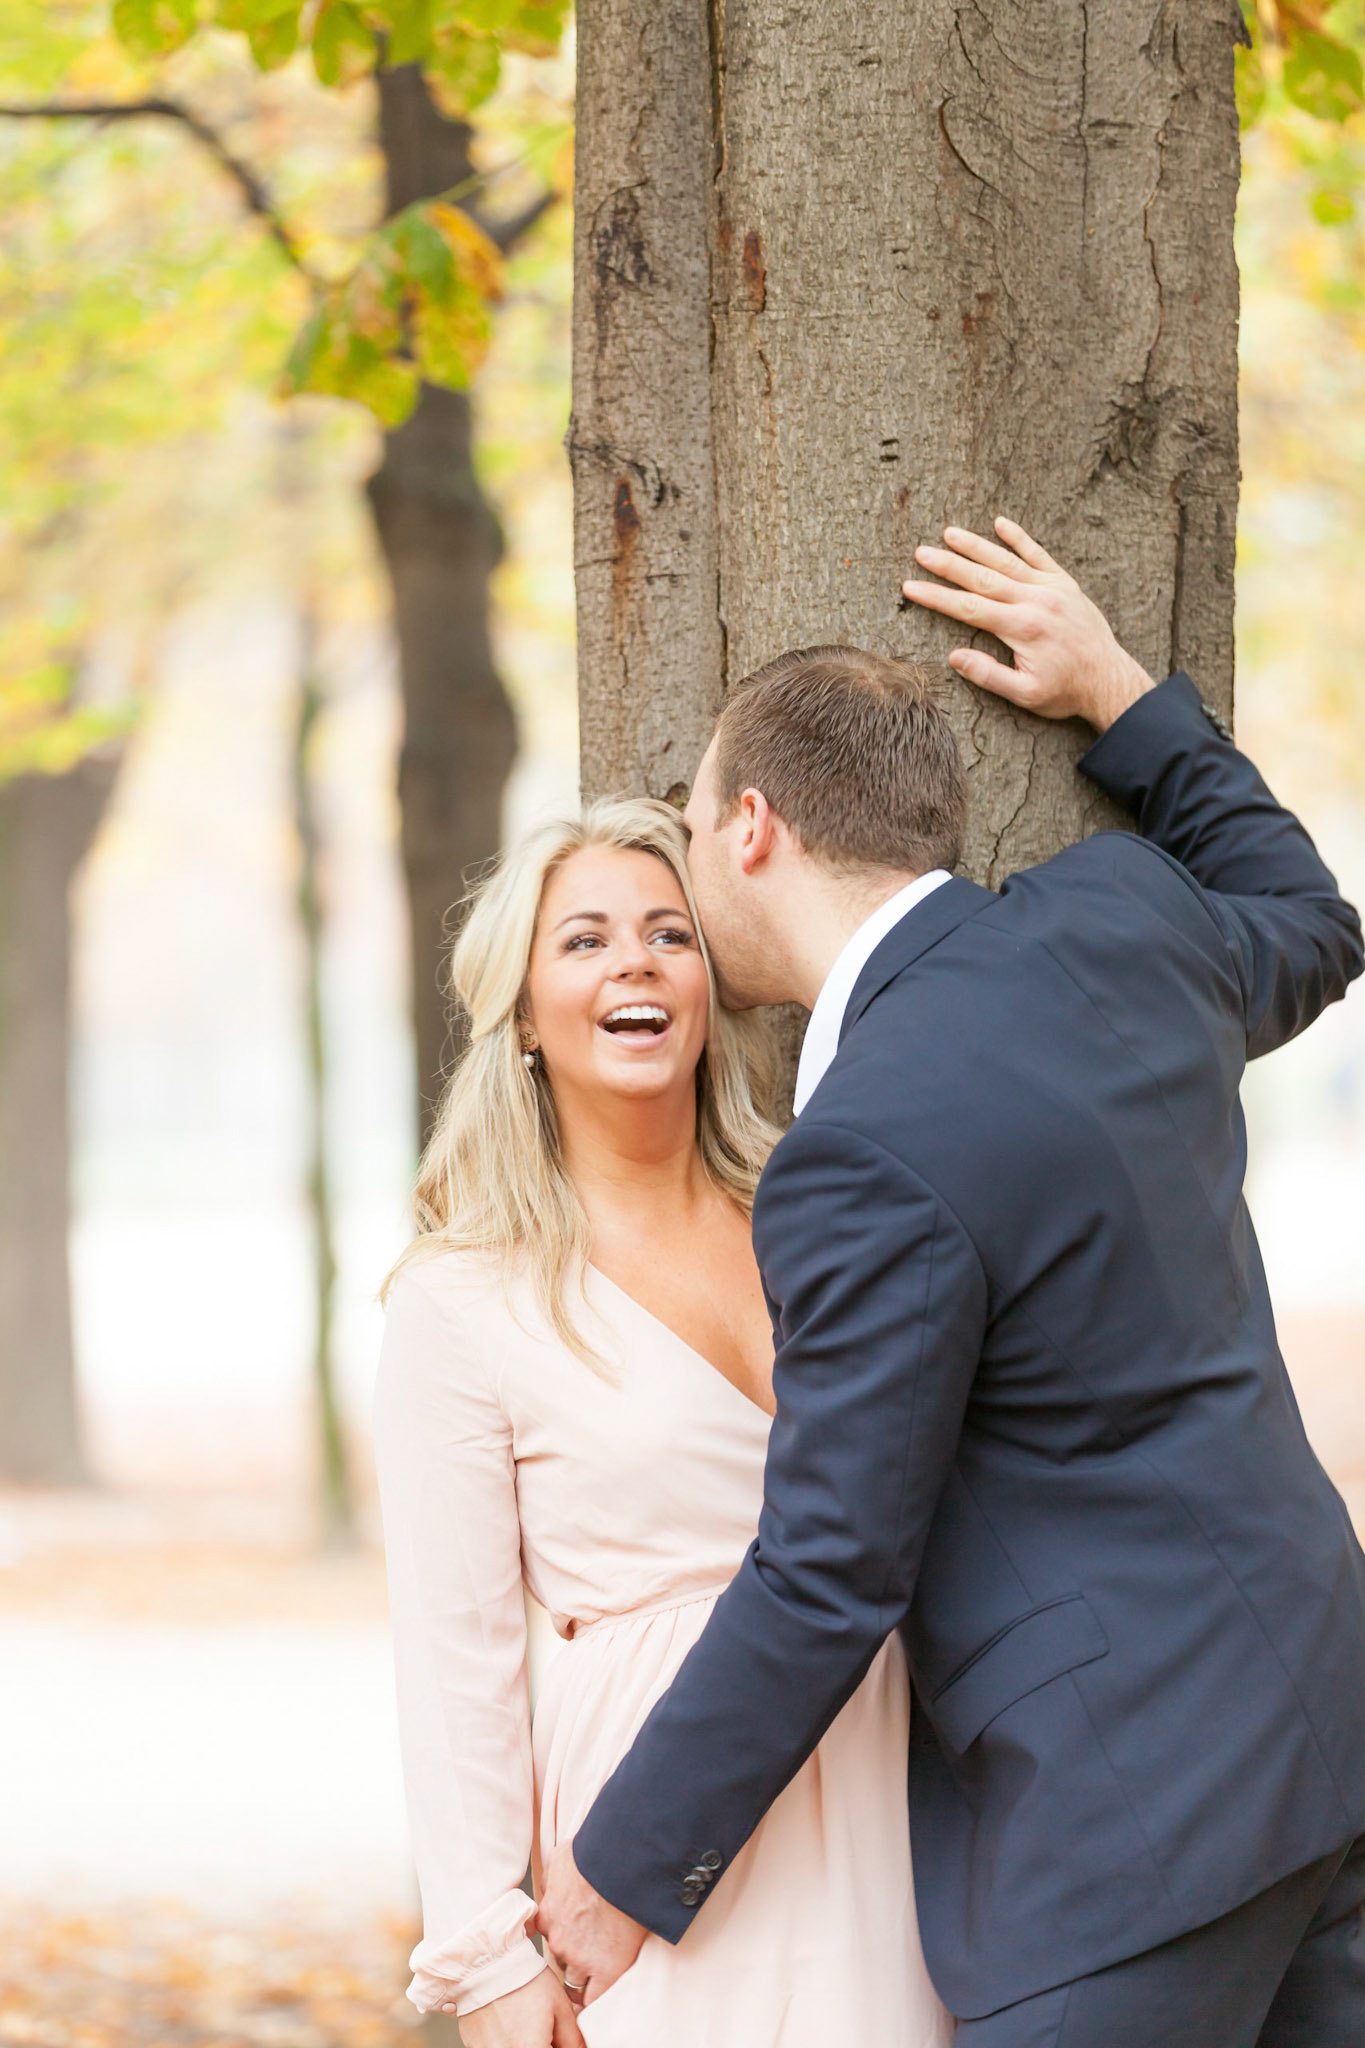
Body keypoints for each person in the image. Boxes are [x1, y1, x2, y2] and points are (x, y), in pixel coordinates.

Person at [538, 520, 1365, 2047]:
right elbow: (1316, 921)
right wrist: (1121, 694)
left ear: (752, 829)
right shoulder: (1121, 925)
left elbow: (830, 1566)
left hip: (1123, 1832)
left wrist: (624, 1871)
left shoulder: (856, 1155)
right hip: (1318, 1727)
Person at [372, 798, 958, 2046]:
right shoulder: (463, 1295)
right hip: (644, 1842)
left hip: (889, 1779)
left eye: (667, 933)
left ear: (712, 980)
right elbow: (454, 1654)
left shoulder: (822, 1216)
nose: (633, 960)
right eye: (582, 941)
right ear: (523, 1013)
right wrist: (487, 1954)